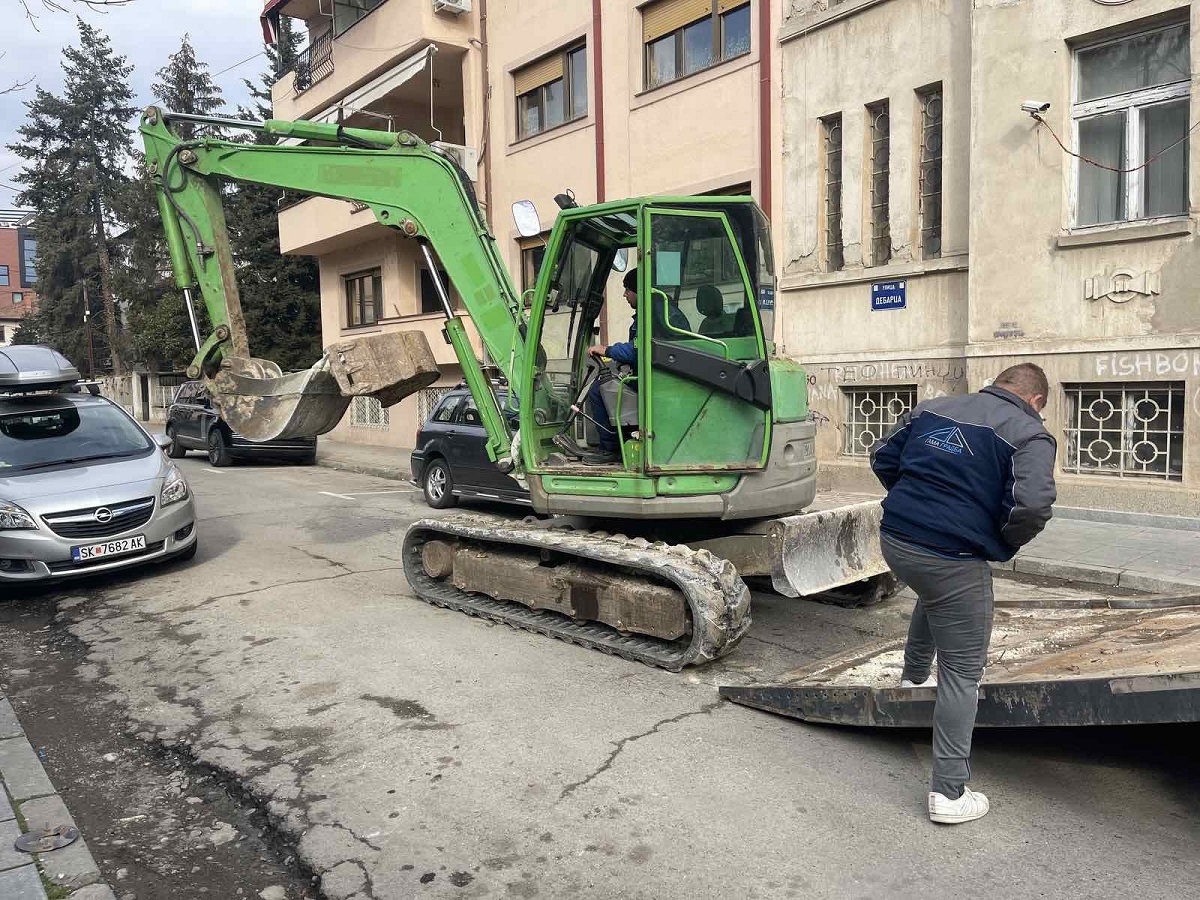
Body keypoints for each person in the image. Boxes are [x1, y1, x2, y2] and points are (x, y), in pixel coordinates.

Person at [870, 363, 1057, 825]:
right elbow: (1032, 505)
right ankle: (949, 793)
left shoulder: (933, 408)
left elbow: (882, 457)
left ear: (999, 384)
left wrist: (915, 504)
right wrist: (1002, 541)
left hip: (895, 540)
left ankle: (914, 678)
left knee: (934, 595)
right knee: (963, 672)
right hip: (951, 556)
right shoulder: (1030, 434)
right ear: (1036, 401)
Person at [559, 267, 687, 461]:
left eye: (627, 289)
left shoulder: (653, 313)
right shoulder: (659, 309)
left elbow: (637, 350)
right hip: (657, 376)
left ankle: (610, 448)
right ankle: (624, 439)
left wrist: (606, 350)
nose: (624, 294)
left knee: (598, 390)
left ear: (639, 290)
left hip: (657, 381)